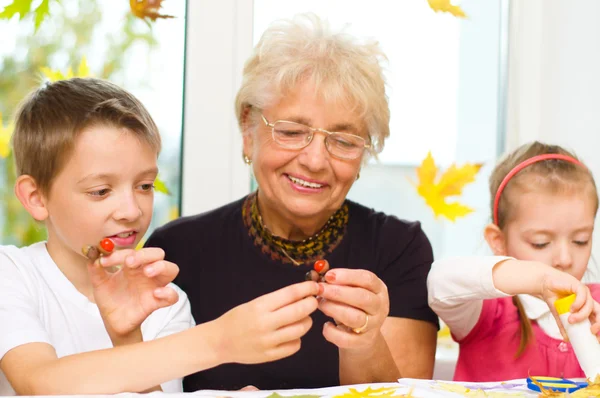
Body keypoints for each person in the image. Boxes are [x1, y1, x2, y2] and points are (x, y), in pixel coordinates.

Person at [145, 13, 439, 390]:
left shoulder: (399, 249)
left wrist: (364, 344)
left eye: (344, 141)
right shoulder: (177, 251)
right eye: (291, 131)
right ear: (248, 131)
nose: (315, 161)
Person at [0, 78, 319, 395]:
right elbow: (38, 383)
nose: (131, 210)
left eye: (144, 186)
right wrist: (219, 340)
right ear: (36, 197)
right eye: (101, 191)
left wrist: (127, 338)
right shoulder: (11, 274)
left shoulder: (167, 304)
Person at [428, 141, 600, 382]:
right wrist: (539, 279)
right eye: (541, 243)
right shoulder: (486, 313)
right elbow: (439, 282)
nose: (565, 259)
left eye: (580, 240)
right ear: (498, 240)